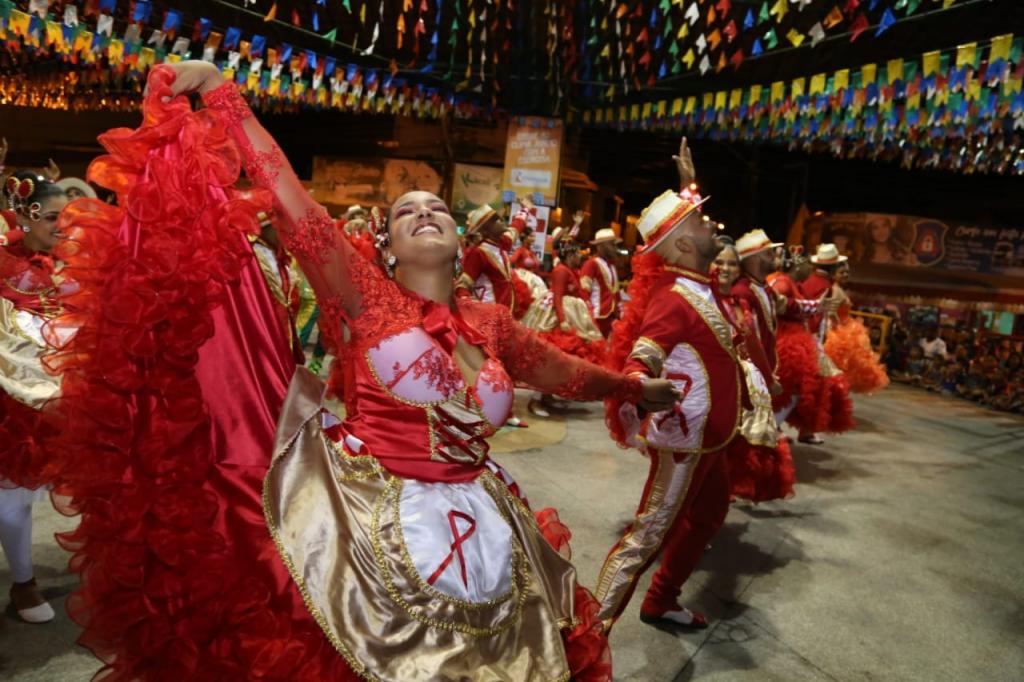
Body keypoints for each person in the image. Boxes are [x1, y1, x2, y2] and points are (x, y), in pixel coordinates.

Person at [46, 62, 679, 681]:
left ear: (458, 236)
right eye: (406, 211)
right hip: (363, 525)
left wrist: (631, 386)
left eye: (437, 207)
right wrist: (221, 93)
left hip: (486, 525)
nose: (424, 213)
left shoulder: (490, 322)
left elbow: (564, 373)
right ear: (388, 246)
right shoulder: (363, 295)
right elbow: (286, 193)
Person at [599, 167, 744, 632]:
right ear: (682, 243)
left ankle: (661, 600)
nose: (711, 224)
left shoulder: (698, 284)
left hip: (712, 439)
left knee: (707, 517)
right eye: (700, 222)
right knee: (646, 536)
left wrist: (688, 180)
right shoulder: (674, 296)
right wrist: (639, 383)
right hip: (687, 440)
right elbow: (643, 357)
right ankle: (584, 634)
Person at [0, 171, 71, 624]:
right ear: (26, 217)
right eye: (53, 217)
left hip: (58, 389)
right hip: (12, 392)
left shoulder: (61, 263)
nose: (63, 226)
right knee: (13, 493)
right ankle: (23, 583)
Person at [715, 239, 794, 504]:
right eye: (719, 262)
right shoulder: (708, 296)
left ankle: (722, 488)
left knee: (735, 438)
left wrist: (766, 376)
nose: (725, 268)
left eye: (732, 264)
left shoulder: (740, 299)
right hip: (715, 382)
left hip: (743, 380)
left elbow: (752, 340)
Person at [770, 246, 851, 444]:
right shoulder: (784, 283)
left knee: (803, 388)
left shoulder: (796, 283)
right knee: (795, 388)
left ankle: (785, 427)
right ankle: (774, 427)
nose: (811, 269)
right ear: (799, 265)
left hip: (800, 341)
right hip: (790, 343)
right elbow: (775, 304)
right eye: (808, 264)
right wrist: (814, 309)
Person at [819, 254, 889, 394]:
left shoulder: (838, 289)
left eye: (847, 272)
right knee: (837, 369)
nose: (845, 275)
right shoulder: (835, 290)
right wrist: (838, 329)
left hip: (844, 330)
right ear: (833, 274)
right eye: (841, 272)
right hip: (839, 332)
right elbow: (830, 312)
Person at [579, 228, 622, 337]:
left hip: (611, 317)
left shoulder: (612, 266)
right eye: (612, 244)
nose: (615, 248)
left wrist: (620, 310)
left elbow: (616, 292)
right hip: (597, 317)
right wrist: (588, 315)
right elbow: (583, 291)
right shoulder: (591, 264)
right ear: (601, 246)